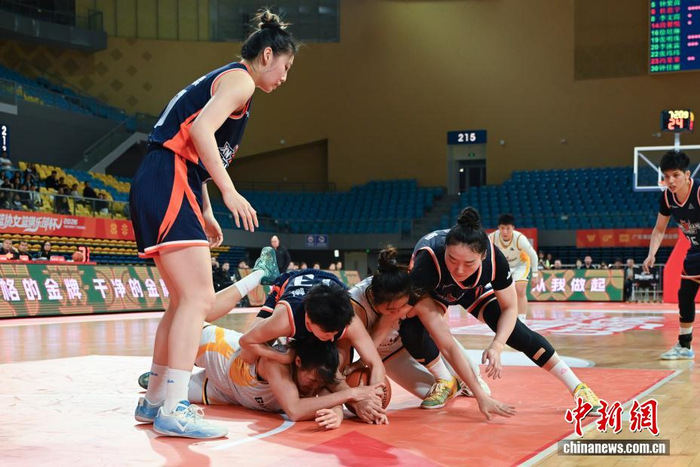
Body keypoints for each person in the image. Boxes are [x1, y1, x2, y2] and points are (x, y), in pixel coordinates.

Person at [130, 9, 297, 439]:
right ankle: (174, 407)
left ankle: (154, 401)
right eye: (285, 66)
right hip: (168, 176)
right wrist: (228, 192)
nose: (284, 77)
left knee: (182, 302)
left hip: (166, 177)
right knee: (198, 299)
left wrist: (204, 208)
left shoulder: (229, 81)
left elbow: (193, 148)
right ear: (267, 55)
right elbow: (201, 131)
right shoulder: (241, 80)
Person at [401, 207, 602, 415]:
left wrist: (497, 345)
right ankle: (445, 380)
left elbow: (510, 308)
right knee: (410, 331)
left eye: (469, 263)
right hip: (434, 291)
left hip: (473, 290)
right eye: (452, 260)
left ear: (483, 256)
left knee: (517, 333)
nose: (459, 270)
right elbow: (442, 341)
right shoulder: (428, 259)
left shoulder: (494, 259)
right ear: (445, 249)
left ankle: (578, 387)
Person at [136, 325, 383, 429]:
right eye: (312, 381)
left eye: (320, 383)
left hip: (224, 392)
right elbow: (295, 410)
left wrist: (338, 412)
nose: (315, 388)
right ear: (298, 362)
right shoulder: (277, 364)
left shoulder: (319, 369)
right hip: (220, 354)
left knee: (172, 392)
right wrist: (351, 394)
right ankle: (161, 375)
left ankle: (165, 381)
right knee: (180, 333)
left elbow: (333, 391)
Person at [345, 247, 492, 412]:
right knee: (433, 393)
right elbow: (354, 346)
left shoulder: (413, 291)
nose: (397, 313)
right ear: (373, 298)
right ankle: (452, 382)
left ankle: (452, 377)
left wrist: (479, 394)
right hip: (388, 354)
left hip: (421, 339)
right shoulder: (354, 306)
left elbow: (447, 343)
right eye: (391, 310)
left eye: (403, 306)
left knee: (470, 376)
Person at [236, 268, 388, 422]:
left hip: (328, 291)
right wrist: (283, 357)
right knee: (249, 356)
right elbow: (245, 342)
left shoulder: (349, 322)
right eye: (327, 333)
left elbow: (376, 364)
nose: (331, 339)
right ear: (308, 320)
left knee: (330, 369)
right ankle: (266, 271)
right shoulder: (285, 319)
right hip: (290, 285)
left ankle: (347, 404)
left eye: (335, 333)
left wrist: (374, 400)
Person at [644, 150, 698, 360]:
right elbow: (659, 230)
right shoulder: (667, 197)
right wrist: (651, 254)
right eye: (667, 177)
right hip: (696, 250)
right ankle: (684, 346)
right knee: (685, 296)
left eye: (676, 175)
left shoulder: (698, 192)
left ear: (687, 174)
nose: (671, 181)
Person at [489, 214, 538, 321]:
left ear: (513, 228)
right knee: (499, 292)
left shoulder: (520, 238)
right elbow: (484, 255)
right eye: (502, 228)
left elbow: (533, 255)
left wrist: (535, 274)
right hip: (503, 265)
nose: (505, 231)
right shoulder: (492, 238)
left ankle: (522, 320)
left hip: (521, 264)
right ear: (498, 227)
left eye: (508, 228)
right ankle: (505, 317)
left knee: (520, 289)